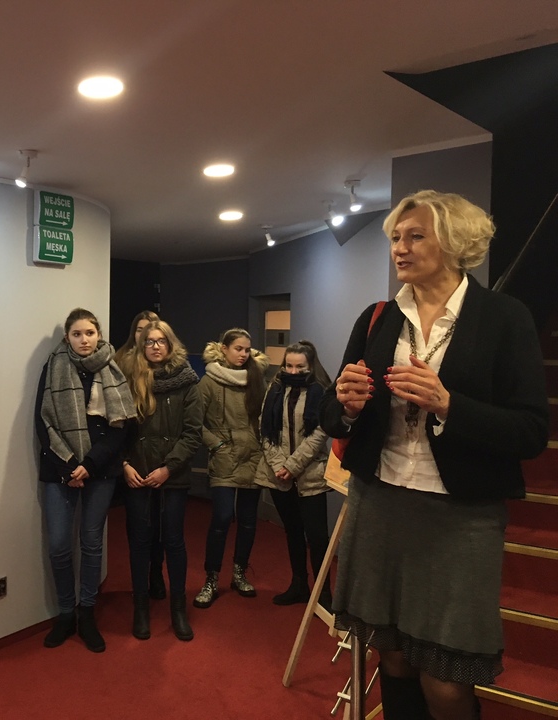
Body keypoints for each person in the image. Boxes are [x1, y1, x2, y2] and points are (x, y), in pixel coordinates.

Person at [319, 191, 548, 720]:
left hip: (460, 518)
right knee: (395, 660)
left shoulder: (504, 317)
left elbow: (532, 431)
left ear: (454, 242)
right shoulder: (377, 318)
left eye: (415, 236)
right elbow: (332, 412)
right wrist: (346, 407)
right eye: (396, 238)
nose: (400, 248)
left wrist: (449, 405)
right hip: (379, 505)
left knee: (445, 682)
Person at [35, 308, 136, 653]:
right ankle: (66, 613)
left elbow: (120, 427)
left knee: (92, 544)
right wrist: (68, 466)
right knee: (59, 545)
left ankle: (87, 612)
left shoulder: (112, 368)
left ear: (99, 335)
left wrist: (89, 464)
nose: (84, 340)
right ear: (67, 337)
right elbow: (43, 421)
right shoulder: (53, 367)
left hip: (100, 469)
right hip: (60, 469)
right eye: (77, 334)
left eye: (89, 333)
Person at [120, 320, 202, 641]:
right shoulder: (128, 379)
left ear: (170, 344)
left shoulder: (187, 381)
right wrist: (124, 464)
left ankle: (178, 610)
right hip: (137, 474)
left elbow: (192, 434)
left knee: (173, 541)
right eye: (149, 341)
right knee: (140, 542)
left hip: (173, 476)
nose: (155, 346)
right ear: (141, 346)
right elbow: (117, 428)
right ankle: (140, 608)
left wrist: (168, 468)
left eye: (161, 341)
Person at [192, 329, 268, 609]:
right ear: (223, 349)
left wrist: (262, 444)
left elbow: (266, 417)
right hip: (225, 456)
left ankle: (239, 573)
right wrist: (216, 444)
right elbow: (194, 421)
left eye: (247, 349)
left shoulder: (257, 379)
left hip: (253, 455)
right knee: (222, 517)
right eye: (238, 348)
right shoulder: (209, 381)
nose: (243, 354)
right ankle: (211, 578)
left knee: (248, 520)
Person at [256, 341, 333, 608]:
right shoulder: (275, 387)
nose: (293, 371)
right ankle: (299, 584)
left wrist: (293, 465)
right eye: (289, 365)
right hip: (279, 475)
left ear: (311, 365)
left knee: (318, 537)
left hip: (310, 474)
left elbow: (321, 432)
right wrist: (279, 464)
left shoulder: (322, 390)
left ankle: (324, 593)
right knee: (293, 531)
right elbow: (265, 427)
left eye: (300, 366)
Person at [114, 310, 167, 600]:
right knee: (138, 526)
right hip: (132, 457)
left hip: (162, 461)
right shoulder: (119, 363)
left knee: (161, 526)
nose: (147, 337)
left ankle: (156, 573)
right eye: (141, 330)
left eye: (153, 332)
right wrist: (123, 461)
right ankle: (140, 590)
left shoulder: (168, 369)